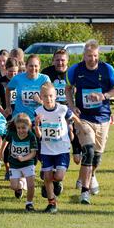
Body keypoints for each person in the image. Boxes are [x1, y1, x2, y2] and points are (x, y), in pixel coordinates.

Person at [65, 39, 114, 204]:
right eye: (89, 56)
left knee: (96, 157)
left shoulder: (107, 70)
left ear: (98, 55)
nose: (92, 59)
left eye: (95, 55)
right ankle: (85, 192)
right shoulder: (75, 70)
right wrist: (72, 106)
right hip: (83, 118)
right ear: (84, 56)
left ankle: (89, 176)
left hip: (103, 117)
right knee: (88, 151)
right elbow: (68, 89)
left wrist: (103, 96)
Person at [35, 82, 84, 213]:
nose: (48, 99)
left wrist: (81, 128)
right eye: (45, 96)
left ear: (55, 96)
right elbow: (39, 135)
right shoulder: (38, 112)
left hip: (62, 149)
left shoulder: (62, 109)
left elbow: (74, 118)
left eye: (51, 96)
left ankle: (55, 182)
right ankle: (52, 204)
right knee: (47, 177)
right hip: (46, 149)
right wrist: (36, 125)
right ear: (41, 97)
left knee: (59, 176)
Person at [0, 113, 38, 212]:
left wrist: (24, 158)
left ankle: (29, 203)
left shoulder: (31, 136)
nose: (21, 130)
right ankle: (20, 185)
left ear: (29, 127)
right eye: (18, 128)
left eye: (23, 128)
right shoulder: (12, 134)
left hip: (28, 163)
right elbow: (5, 140)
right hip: (14, 164)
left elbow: (33, 153)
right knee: (13, 186)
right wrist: (1, 152)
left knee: (31, 185)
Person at [0, 57, 19, 180]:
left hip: (19, 115)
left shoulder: (20, 80)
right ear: (5, 69)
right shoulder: (0, 82)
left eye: (15, 72)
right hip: (6, 116)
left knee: (17, 142)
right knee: (6, 143)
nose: (13, 74)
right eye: (10, 72)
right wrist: (3, 111)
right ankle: (8, 169)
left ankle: (19, 168)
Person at [5, 54, 51, 122]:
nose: (33, 68)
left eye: (36, 66)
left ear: (39, 66)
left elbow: (50, 99)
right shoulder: (18, 78)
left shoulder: (44, 79)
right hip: (19, 117)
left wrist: (40, 101)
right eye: (31, 66)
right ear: (26, 66)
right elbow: (8, 89)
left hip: (38, 118)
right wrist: (8, 106)